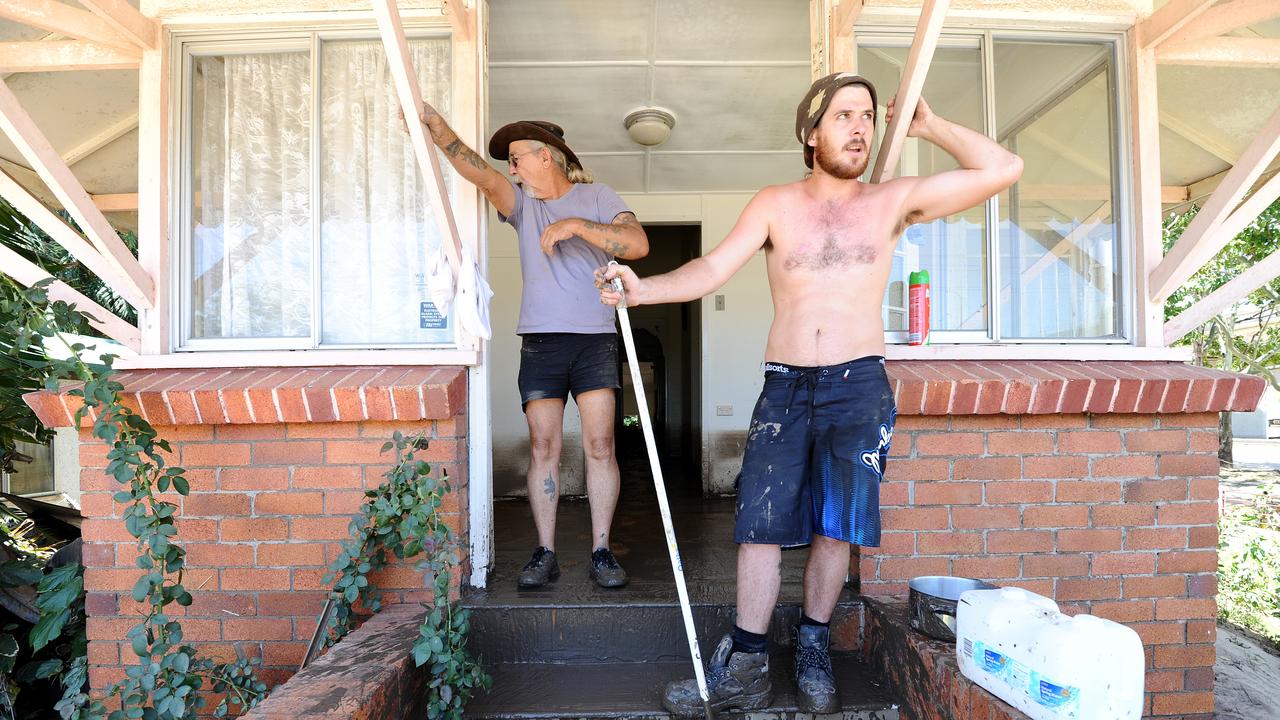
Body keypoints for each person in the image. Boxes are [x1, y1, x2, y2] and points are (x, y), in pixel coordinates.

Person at [597, 73, 1022, 715]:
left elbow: (1002, 166)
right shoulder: (775, 203)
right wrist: (643, 288)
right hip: (786, 385)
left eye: (869, 118)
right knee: (759, 525)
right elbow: (712, 267)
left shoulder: (892, 201)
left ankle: (814, 644)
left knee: (836, 526)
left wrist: (930, 126)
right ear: (811, 131)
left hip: (860, 386)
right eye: (846, 115)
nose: (860, 128)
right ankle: (746, 664)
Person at [413, 102, 649, 589]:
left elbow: (636, 242)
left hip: (596, 341)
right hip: (541, 342)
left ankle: (602, 551)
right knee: (543, 446)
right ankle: (545, 552)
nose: (511, 167)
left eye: (518, 156)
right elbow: (479, 173)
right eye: (510, 160)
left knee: (601, 445)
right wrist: (440, 131)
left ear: (550, 157)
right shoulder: (522, 204)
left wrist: (576, 226)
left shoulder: (599, 196)